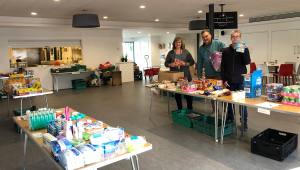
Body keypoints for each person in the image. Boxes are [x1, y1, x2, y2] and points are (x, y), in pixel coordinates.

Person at [221, 30, 251, 131]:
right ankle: (230, 118)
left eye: (237, 37)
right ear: (230, 38)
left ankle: (244, 121)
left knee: (242, 103)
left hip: (241, 80)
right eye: (233, 37)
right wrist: (224, 79)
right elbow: (223, 66)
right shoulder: (226, 51)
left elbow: (247, 62)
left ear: (240, 38)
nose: (235, 38)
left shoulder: (243, 49)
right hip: (229, 81)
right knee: (230, 102)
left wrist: (244, 50)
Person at [197, 30, 227, 115]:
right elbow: (199, 61)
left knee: (222, 93)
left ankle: (226, 112)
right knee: (211, 95)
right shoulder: (201, 48)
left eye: (206, 36)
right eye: (203, 37)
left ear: (210, 35)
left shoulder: (218, 43)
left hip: (220, 75)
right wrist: (199, 74)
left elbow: (227, 52)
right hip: (209, 76)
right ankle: (215, 110)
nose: (205, 38)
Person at [165, 37, 195, 110]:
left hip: (185, 76)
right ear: (174, 43)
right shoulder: (171, 53)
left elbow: (192, 62)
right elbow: (166, 63)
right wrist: (170, 64)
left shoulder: (186, 52)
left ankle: (190, 108)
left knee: (188, 93)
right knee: (177, 93)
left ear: (181, 43)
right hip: (176, 77)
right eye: (176, 42)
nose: (178, 44)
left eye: (179, 42)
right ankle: (180, 108)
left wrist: (185, 63)